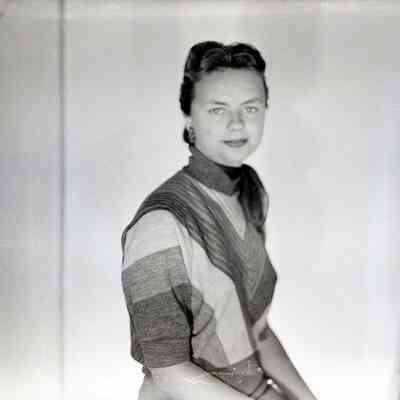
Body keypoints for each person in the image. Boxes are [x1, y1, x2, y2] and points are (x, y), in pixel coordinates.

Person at [121, 41, 318, 400]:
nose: (237, 123)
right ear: (188, 117)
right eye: (217, 109)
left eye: (250, 107)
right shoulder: (161, 223)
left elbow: (255, 332)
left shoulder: (249, 194)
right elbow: (169, 373)